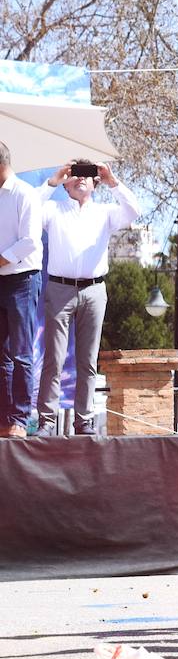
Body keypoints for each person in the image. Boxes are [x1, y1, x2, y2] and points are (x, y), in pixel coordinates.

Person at [35, 160, 142, 436]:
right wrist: (53, 181)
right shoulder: (52, 208)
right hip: (59, 289)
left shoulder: (105, 213)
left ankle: (84, 420)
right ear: (67, 182)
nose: (80, 179)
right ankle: (47, 421)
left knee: (87, 361)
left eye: (87, 175)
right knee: (54, 359)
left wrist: (113, 181)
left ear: (95, 182)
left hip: (94, 290)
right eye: (75, 174)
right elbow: (29, 211)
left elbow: (134, 210)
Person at [0, 141, 41, 439]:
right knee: (1, 355)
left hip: (22, 280)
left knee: (21, 353)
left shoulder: (24, 193)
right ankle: (4, 417)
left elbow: (29, 241)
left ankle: (19, 418)